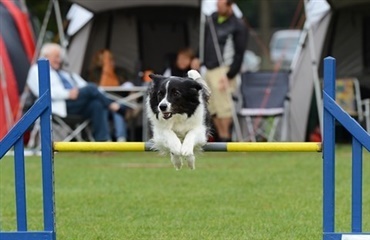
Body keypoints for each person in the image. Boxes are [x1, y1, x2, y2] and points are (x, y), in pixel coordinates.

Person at [27, 43, 127, 141]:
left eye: (59, 57)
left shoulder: (65, 73)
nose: (59, 60)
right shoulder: (36, 70)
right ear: (46, 56)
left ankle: (103, 141)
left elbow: (85, 85)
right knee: (91, 88)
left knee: (96, 104)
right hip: (60, 106)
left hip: (77, 105)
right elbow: (41, 93)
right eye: (56, 57)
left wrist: (98, 92)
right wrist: (68, 94)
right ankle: (116, 107)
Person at [202, 0, 247, 142]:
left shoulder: (238, 25)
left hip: (224, 69)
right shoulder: (211, 20)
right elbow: (206, 43)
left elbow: (239, 54)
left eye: (220, 5)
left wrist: (229, 75)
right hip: (209, 68)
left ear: (229, 5)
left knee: (224, 107)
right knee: (212, 106)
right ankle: (220, 136)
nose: (217, 8)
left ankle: (226, 137)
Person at [89, 49, 129, 142]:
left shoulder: (120, 72)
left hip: (120, 101)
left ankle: (121, 139)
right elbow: (96, 90)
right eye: (106, 60)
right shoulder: (94, 73)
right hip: (104, 103)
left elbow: (128, 86)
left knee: (117, 108)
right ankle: (106, 138)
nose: (110, 62)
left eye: (111, 60)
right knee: (105, 108)